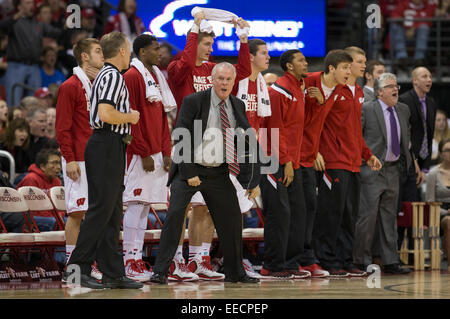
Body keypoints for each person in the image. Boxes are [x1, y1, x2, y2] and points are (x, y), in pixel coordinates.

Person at [150, 62, 261, 284]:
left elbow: (247, 143)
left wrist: (252, 180)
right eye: (220, 78)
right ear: (212, 80)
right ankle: (160, 271)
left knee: (231, 219)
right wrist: (190, 171)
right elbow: (181, 134)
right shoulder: (194, 101)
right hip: (189, 170)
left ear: (233, 82)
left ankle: (235, 272)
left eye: (229, 79)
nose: (224, 83)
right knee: (174, 217)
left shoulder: (237, 105)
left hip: (218, 172)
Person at [167, 11, 252, 281]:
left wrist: (243, 38)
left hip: (214, 145)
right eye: (206, 44)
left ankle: (199, 260)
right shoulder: (178, 68)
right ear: (192, 44)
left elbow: (244, 71)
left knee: (205, 208)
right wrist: (195, 26)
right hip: (187, 144)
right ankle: (174, 262)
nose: (210, 49)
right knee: (181, 210)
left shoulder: (212, 72)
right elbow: (186, 59)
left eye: (211, 45)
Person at [66, 31, 142, 289]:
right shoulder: (111, 76)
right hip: (105, 144)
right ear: (121, 51)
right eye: (128, 49)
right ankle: (77, 269)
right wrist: (130, 117)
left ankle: (112, 272)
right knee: (100, 211)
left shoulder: (109, 76)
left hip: (112, 145)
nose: (129, 53)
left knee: (111, 213)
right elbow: (106, 113)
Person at [312, 46, 382, 278]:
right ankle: (327, 259)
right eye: (359, 61)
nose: (364, 65)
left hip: (353, 162)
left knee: (350, 215)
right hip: (333, 160)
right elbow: (317, 122)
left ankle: (345, 259)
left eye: (364, 61)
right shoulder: (334, 90)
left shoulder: (359, 91)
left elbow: (354, 131)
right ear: (346, 64)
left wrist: (367, 154)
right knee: (332, 213)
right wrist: (315, 151)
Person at [121, 34, 174, 282]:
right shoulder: (132, 77)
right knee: (135, 204)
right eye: (155, 49)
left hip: (156, 152)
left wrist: (165, 151)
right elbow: (131, 117)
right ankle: (128, 259)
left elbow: (164, 119)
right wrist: (143, 152)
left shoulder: (156, 77)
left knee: (144, 207)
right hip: (140, 154)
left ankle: (137, 258)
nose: (160, 53)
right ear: (142, 52)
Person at [299, 49, 353, 278]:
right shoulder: (309, 81)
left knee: (319, 210)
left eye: (350, 68)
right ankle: (306, 259)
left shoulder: (342, 90)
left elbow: (324, 124)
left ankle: (316, 259)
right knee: (308, 210)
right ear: (331, 68)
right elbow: (296, 120)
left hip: (317, 156)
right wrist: (316, 150)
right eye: (345, 68)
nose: (349, 72)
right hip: (301, 155)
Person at [259, 49, 310, 279]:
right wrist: (287, 161)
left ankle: (290, 263)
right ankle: (271, 264)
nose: (306, 63)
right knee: (279, 214)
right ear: (289, 66)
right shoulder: (278, 90)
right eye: (301, 60)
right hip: (272, 159)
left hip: (291, 160)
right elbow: (275, 129)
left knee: (297, 213)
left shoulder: (299, 89)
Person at [55, 37, 104, 280]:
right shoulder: (69, 87)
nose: (102, 55)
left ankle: (87, 263)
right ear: (84, 56)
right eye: (97, 51)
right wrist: (70, 158)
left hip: (96, 159)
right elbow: (62, 128)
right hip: (77, 159)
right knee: (76, 212)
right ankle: (72, 267)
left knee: (93, 214)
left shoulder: (98, 86)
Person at [354, 73, 412, 275]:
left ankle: (390, 261)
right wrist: (363, 162)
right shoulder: (368, 108)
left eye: (396, 85)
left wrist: (408, 163)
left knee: (389, 217)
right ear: (379, 91)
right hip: (372, 169)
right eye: (390, 86)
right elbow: (357, 137)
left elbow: (406, 138)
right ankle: (362, 260)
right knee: (367, 217)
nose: (395, 89)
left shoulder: (403, 109)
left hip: (393, 169)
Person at [0, 0, 62, 107]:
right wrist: (16, 16)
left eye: (32, 3)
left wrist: (66, 26)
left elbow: (57, 32)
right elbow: (2, 27)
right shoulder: (14, 22)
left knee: (35, 103)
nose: (32, 5)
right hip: (16, 66)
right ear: (19, 6)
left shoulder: (38, 23)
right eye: (28, 3)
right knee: (14, 102)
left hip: (34, 66)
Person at [399, 66, 436, 200]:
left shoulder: (431, 103)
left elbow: (429, 135)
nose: (429, 80)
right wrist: (414, 164)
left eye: (430, 77)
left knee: (420, 202)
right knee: (410, 202)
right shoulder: (404, 100)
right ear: (415, 81)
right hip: (408, 161)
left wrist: (425, 168)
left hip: (423, 160)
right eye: (425, 77)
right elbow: (405, 135)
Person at [16, 148, 62, 232]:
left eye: (59, 163)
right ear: (42, 166)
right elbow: (31, 209)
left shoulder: (57, 181)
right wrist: (56, 218)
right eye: (54, 163)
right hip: (30, 219)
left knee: (75, 222)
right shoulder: (31, 179)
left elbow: (61, 206)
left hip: (52, 218)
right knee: (57, 223)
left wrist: (59, 216)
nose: (59, 167)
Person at [426, 138, 450, 272]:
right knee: (449, 222)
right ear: (441, 153)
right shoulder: (434, 174)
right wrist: (445, 212)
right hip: (439, 213)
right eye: (447, 150)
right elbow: (430, 202)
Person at [390, 0, 437, 67]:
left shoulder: (427, 6)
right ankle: (401, 57)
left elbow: (428, 22)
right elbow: (394, 16)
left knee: (424, 28)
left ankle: (419, 58)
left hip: (420, 38)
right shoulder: (403, 4)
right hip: (403, 35)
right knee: (396, 26)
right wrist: (405, 26)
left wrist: (413, 28)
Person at [0, 117, 31, 182]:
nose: (24, 134)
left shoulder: (23, 149)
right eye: (21, 131)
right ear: (12, 131)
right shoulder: (1, 146)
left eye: (26, 131)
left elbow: (26, 168)